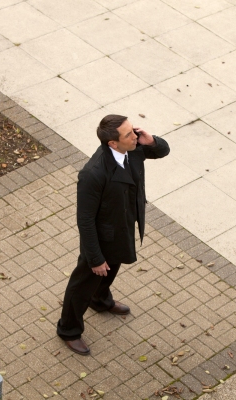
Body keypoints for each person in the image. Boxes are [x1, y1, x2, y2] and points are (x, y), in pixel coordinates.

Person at [56, 114, 170, 355]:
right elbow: (84, 220)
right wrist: (95, 258)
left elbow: (162, 152)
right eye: (129, 134)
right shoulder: (93, 174)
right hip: (101, 237)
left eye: (133, 130)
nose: (135, 136)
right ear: (113, 144)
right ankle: (68, 329)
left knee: (112, 269)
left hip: (125, 224)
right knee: (82, 283)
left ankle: (100, 301)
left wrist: (152, 141)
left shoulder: (135, 148)